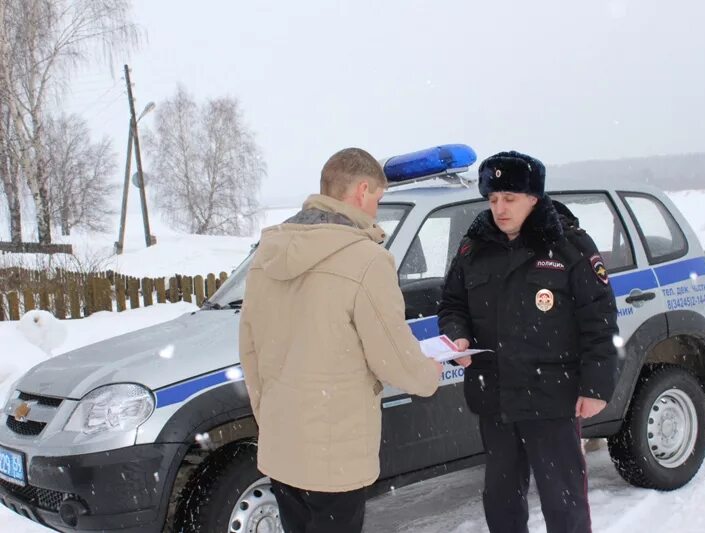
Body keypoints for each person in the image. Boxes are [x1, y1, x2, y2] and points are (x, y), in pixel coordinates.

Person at [239, 147, 442, 533]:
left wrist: (270, 416)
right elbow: (392, 356)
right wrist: (427, 373)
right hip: (335, 456)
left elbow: (249, 348)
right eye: (378, 200)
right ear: (362, 190)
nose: (376, 212)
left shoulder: (268, 254)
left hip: (283, 448)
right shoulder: (366, 260)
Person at [438, 151, 619, 533]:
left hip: (551, 396)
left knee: (563, 498)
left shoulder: (570, 245)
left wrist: (596, 386)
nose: (499, 209)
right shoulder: (474, 248)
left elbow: (598, 320)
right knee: (501, 499)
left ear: (534, 198)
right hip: (495, 394)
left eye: (510, 198)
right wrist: (457, 335)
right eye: (492, 199)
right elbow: (452, 303)